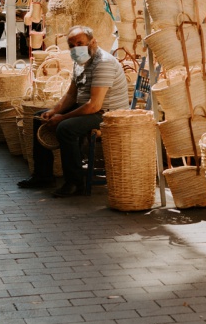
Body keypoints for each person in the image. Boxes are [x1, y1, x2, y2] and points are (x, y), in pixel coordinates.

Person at [18, 25, 130, 197]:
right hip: (88, 108)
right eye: (72, 45)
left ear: (93, 42)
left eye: (80, 43)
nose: (76, 48)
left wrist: (62, 117)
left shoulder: (104, 63)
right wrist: (54, 111)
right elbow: (71, 94)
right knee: (39, 117)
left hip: (108, 114)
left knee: (65, 128)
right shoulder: (81, 62)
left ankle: (75, 182)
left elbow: (94, 106)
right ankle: (43, 176)